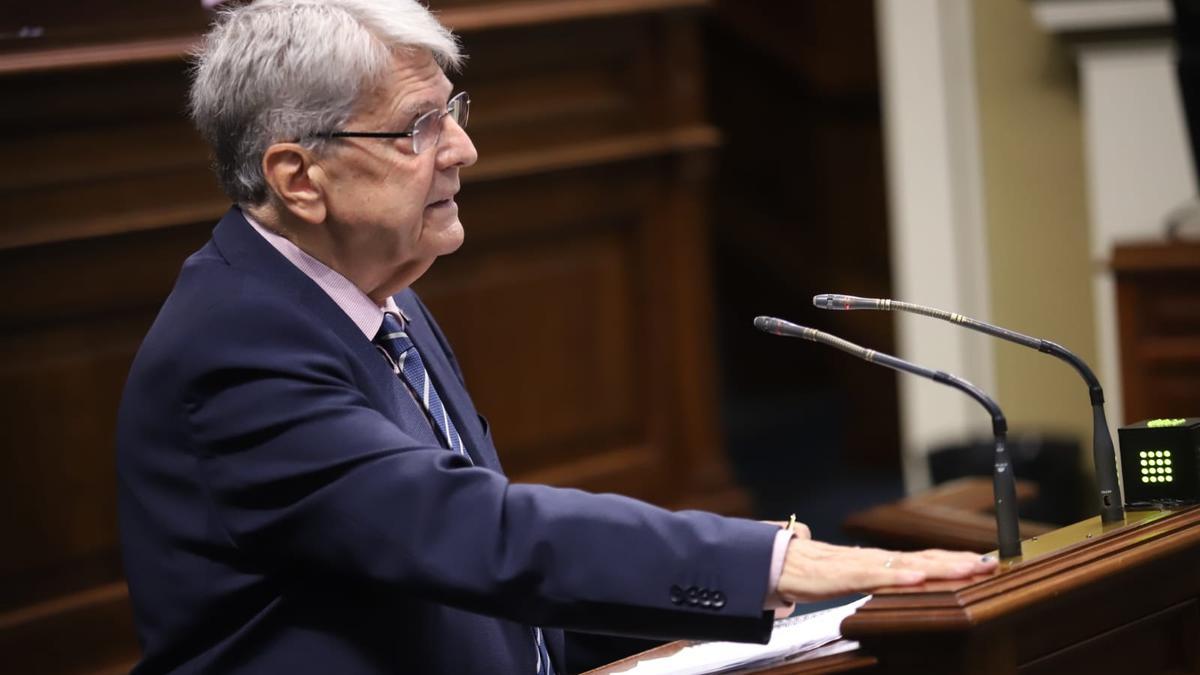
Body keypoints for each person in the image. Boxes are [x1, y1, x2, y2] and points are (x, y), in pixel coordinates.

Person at [116, 1, 998, 673]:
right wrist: (775, 562)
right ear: (297, 177)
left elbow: (486, 582)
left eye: (452, 109)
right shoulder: (234, 351)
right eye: (420, 126)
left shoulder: (377, 293)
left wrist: (772, 617)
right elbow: (473, 531)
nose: (462, 148)